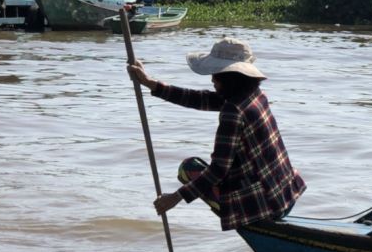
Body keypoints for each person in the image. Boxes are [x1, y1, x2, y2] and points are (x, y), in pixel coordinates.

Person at [127, 37, 306, 230]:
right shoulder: (255, 95)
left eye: (216, 75)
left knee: (189, 169)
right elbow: (200, 99)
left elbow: (218, 169)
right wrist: (150, 83)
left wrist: (176, 197)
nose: (212, 79)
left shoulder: (233, 111)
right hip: (285, 196)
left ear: (230, 78)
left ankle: (245, 217)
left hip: (264, 206)